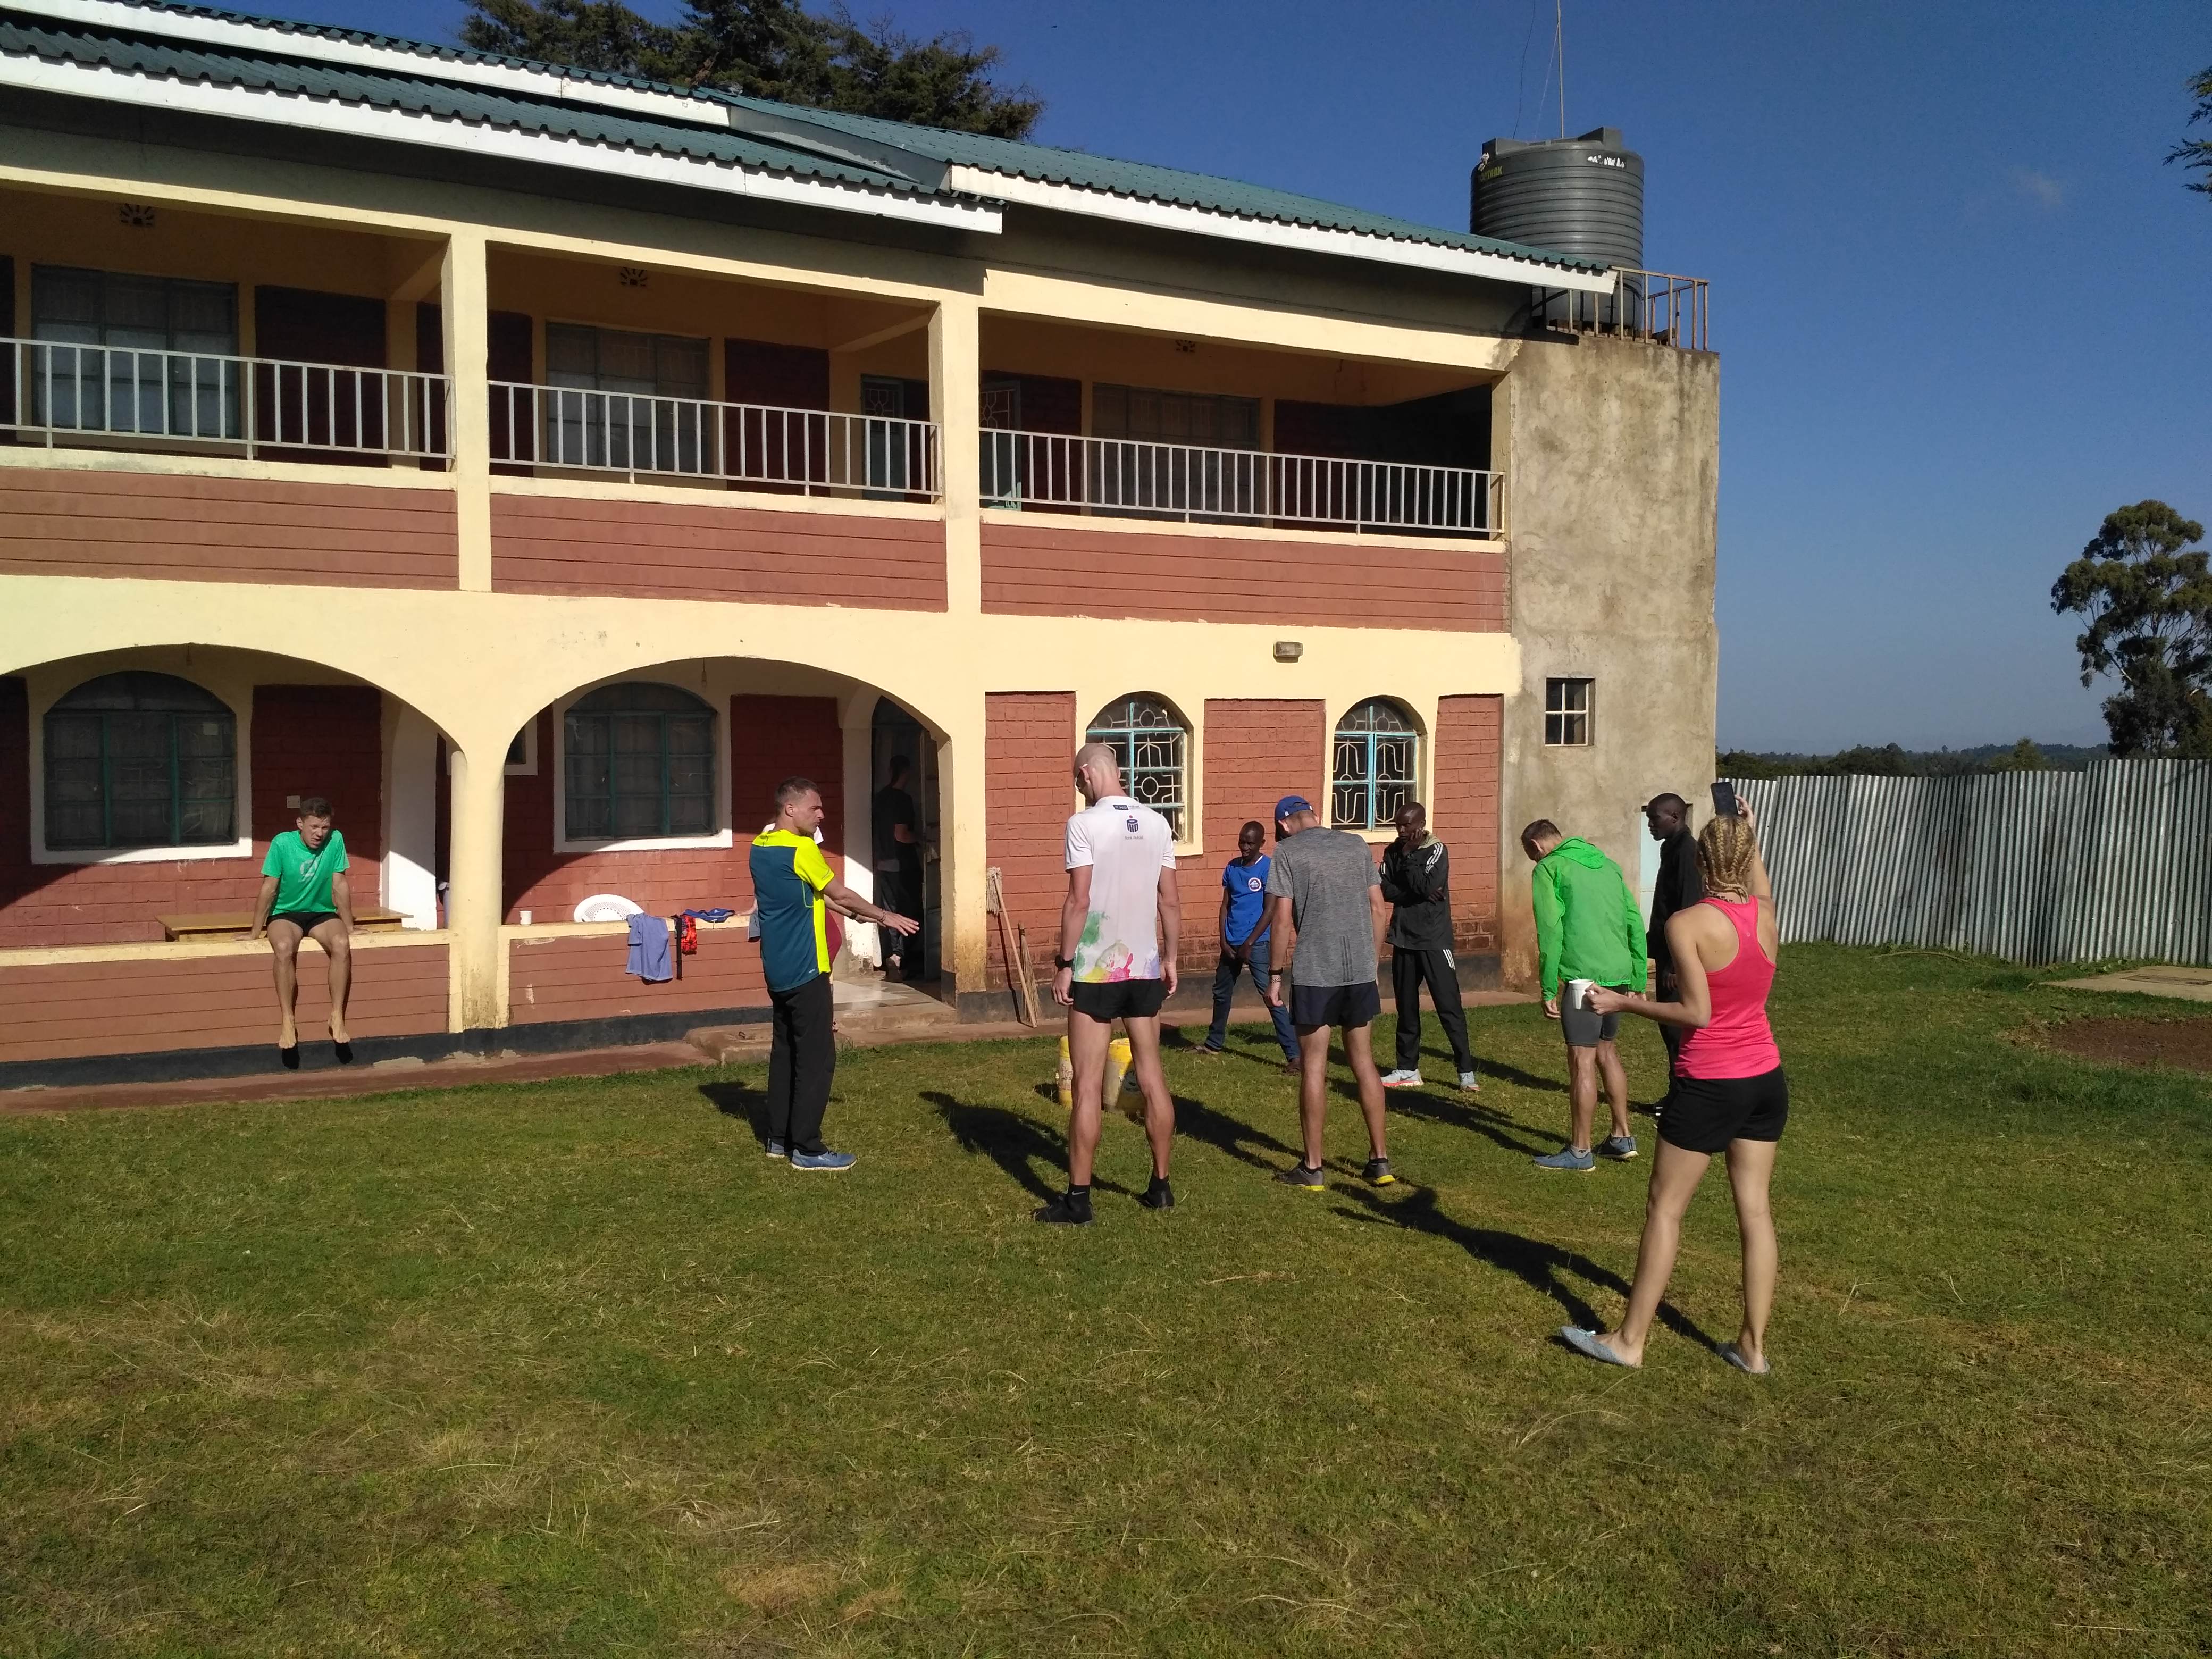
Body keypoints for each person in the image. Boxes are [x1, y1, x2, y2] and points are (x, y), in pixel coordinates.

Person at [1561, 798, 1784, 1375]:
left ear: (1701, 864)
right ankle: (1752, 1349)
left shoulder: (1686, 924)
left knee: (1664, 1209)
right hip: (1765, 1080)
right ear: (1746, 860)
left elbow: (1696, 1014)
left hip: (1710, 1082)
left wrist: (1622, 1003)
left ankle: (1628, 1341)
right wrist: (1749, 833)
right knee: (1755, 1213)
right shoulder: (1766, 914)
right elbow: (1756, 879)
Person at [1039, 742, 1180, 1223]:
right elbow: (1170, 901)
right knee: (1153, 1076)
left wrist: (1064, 963)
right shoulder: (1158, 823)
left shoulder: (1084, 824)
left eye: (1077, 782)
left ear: (1086, 774)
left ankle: (1078, 1199)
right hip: (1144, 967)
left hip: (1097, 969)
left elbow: (1078, 901)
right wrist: (1171, 958)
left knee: (1087, 1085)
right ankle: (1160, 1186)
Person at [750, 776, 918, 1171]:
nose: (821, 815)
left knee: (785, 1050)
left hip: (777, 966)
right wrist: (885, 916)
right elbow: (838, 893)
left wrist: (858, 916)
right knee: (816, 1058)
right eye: (815, 808)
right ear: (790, 809)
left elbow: (814, 895)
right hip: (807, 966)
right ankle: (807, 1148)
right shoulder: (801, 848)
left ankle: (779, 1138)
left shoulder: (761, 845)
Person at [1262, 795, 1396, 1189]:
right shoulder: (1356, 845)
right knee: (1364, 1063)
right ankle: (1380, 1160)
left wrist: (1274, 975)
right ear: (1315, 816)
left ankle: (1313, 1166)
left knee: (1314, 1066)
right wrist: (1372, 963)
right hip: (1358, 972)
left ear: (1284, 825)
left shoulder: (1287, 852)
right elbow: (1378, 909)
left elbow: (1281, 920)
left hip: (1315, 973)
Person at [1522, 819, 1647, 1171]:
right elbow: (1634, 920)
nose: (1534, 861)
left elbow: (1550, 929)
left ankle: (1580, 1151)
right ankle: (1622, 1136)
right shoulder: (1608, 865)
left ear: (1536, 847)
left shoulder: (1549, 868)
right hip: (1618, 973)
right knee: (1607, 1051)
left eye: (1532, 855)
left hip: (1582, 979)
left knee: (1582, 1059)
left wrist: (1549, 986)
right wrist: (1638, 975)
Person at [1376, 801, 1479, 1093]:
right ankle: (1408, 1069)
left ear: (1420, 824)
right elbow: (1385, 889)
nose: (1401, 829)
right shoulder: (1392, 851)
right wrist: (1414, 889)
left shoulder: (1437, 850)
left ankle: (1466, 1071)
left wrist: (1410, 859)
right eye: (1398, 824)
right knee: (1406, 1007)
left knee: (1449, 1007)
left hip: (1434, 940)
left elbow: (1427, 885)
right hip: (1403, 939)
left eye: (1406, 824)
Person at [249, 796, 354, 1068]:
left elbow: (340, 884)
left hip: (321, 912)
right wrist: (254, 931)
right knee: (284, 948)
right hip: (286, 913)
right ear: (300, 824)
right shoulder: (282, 843)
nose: (320, 834)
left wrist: (350, 926)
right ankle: (288, 1020)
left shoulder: (336, 840)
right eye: (314, 827)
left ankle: (337, 1016)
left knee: (342, 943)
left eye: (325, 827)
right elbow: (269, 888)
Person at [1192, 819, 1300, 1070]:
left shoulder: (1268, 869)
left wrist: (1250, 942)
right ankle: (1214, 1043)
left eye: (1250, 843)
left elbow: (1270, 910)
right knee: (1221, 993)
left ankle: (1295, 1055)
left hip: (1257, 944)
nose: (1245, 847)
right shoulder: (1232, 867)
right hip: (1231, 943)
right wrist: (1223, 939)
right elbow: (1225, 905)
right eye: (1242, 842)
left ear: (1262, 843)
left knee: (1271, 996)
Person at [1643, 792, 1705, 1074]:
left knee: (1678, 1032)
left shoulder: (1687, 852)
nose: (1650, 825)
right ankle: (1676, 1089)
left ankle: (1685, 1089)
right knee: (1669, 1031)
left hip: (1677, 962)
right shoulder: (1671, 848)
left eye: (1654, 819)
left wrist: (1677, 965)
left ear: (1675, 817)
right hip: (1667, 955)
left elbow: (1689, 908)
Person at [871, 753, 926, 979]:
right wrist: (923, 839)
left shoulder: (880, 798)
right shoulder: (902, 800)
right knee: (911, 913)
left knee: (890, 913)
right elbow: (901, 835)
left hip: (883, 865)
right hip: (903, 866)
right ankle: (901, 958)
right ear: (907, 773)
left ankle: (894, 954)